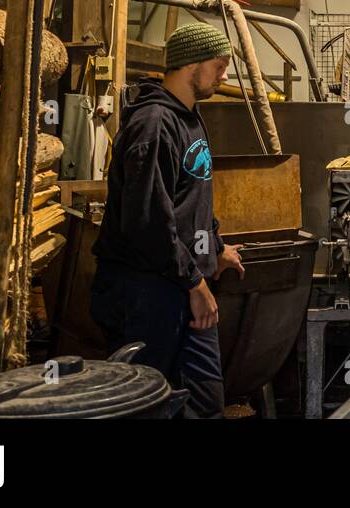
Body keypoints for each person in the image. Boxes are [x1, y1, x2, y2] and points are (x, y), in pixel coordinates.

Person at [90, 21, 245, 418]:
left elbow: (193, 194)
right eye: (219, 65)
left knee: (204, 404)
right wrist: (194, 281)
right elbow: (147, 223)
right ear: (190, 64)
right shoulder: (154, 124)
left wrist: (215, 246)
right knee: (146, 405)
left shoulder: (188, 116)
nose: (224, 75)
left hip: (177, 282)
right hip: (145, 290)